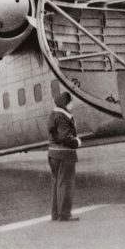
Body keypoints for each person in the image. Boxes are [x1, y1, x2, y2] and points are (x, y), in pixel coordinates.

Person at [48, 92, 82, 222]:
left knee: (57, 184)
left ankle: (55, 214)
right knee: (66, 185)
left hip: (53, 154)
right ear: (65, 104)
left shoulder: (53, 115)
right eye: (70, 102)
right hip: (64, 154)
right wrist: (77, 142)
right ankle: (65, 214)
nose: (72, 104)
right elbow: (65, 137)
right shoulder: (62, 117)